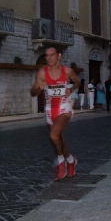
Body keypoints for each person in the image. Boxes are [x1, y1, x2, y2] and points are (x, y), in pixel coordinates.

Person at [30, 46, 80, 181]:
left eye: (52, 55)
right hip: (49, 111)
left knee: (53, 135)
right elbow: (33, 93)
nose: (49, 58)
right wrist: (38, 88)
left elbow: (77, 82)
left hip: (64, 108)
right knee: (58, 140)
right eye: (47, 55)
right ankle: (70, 160)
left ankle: (60, 162)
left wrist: (71, 89)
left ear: (59, 56)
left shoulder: (67, 71)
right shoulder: (42, 72)